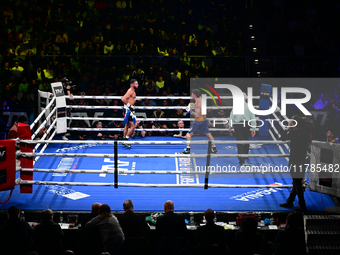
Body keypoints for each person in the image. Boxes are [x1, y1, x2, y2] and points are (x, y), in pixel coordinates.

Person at [279, 115, 310, 211]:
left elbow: (282, 137)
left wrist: (288, 127)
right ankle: (290, 201)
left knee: (297, 182)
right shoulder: (305, 132)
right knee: (297, 181)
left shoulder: (294, 133)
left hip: (295, 160)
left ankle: (302, 204)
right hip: (302, 160)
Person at [181, 89, 217, 154]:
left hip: (198, 122)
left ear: (194, 95)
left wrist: (189, 110)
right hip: (204, 121)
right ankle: (214, 148)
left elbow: (197, 115)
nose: (191, 95)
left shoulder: (197, 103)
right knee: (208, 134)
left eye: (192, 94)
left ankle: (188, 149)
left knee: (188, 134)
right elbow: (202, 112)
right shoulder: (202, 101)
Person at [228, 92, 256, 165]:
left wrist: (230, 125)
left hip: (238, 124)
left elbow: (231, 116)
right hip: (246, 124)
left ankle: (241, 159)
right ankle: (245, 155)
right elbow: (253, 117)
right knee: (246, 139)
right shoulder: (248, 106)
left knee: (239, 142)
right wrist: (253, 128)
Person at [121, 79, 139, 148]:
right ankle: (126, 140)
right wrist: (130, 106)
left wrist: (134, 100)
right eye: (136, 84)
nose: (137, 85)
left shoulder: (132, 91)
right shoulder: (131, 91)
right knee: (133, 125)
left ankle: (124, 140)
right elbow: (123, 99)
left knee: (127, 125)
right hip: (129, 110)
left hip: (127, 109)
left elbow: (129, 99)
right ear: (132, 84)